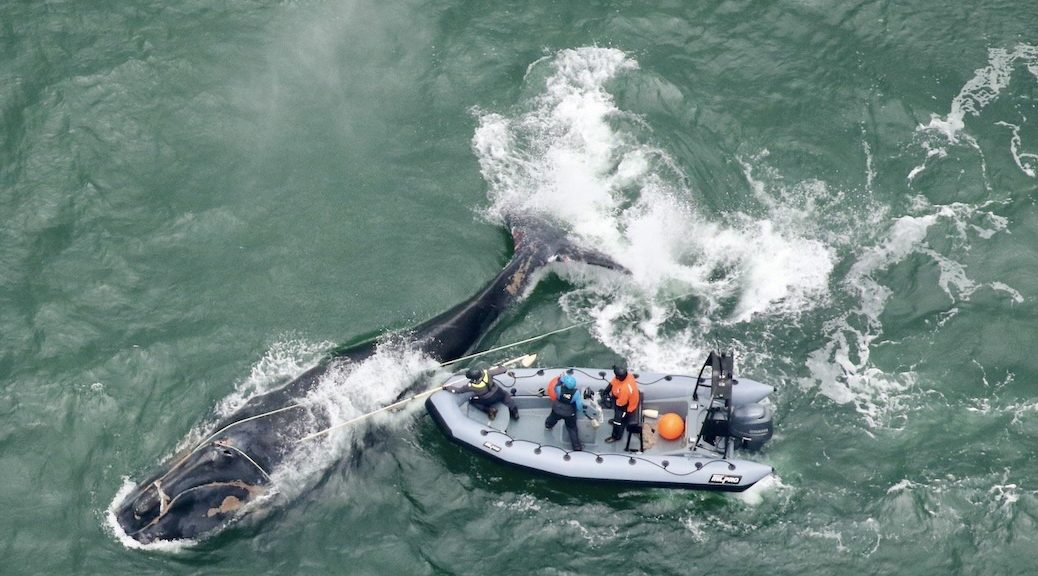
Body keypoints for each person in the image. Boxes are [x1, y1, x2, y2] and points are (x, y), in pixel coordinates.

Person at [453, 365, 519, 420]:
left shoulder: (470, 386)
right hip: (499, 393)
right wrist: (499, 365)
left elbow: (458, 391)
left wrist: (447, 388)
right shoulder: (488, 373)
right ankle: (515, 412)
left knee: (472, 401)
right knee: (505, 395)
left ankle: (490, 410)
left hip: (488, 399)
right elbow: (504, 369)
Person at [544, 373, 584, 451]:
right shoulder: (576, 393)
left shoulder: (558, 389)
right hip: (569, 413)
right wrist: (580, 410)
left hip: (557, 409)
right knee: (572, 429)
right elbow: (579, 406)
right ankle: (576, 447)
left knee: (552, 419)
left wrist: (561, 379)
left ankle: (548, 426)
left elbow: (556, 386)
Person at [604, 362, 639, 443]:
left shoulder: (625, 389)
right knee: (617, 414)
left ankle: (616, 436)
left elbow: (621, 403)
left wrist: (612, 401)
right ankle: (617, 422)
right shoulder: (627, 376)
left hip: (625, 406)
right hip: (620, 399)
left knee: (619, 420)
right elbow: (614, 382)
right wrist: (606, 392)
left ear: (620, 376)